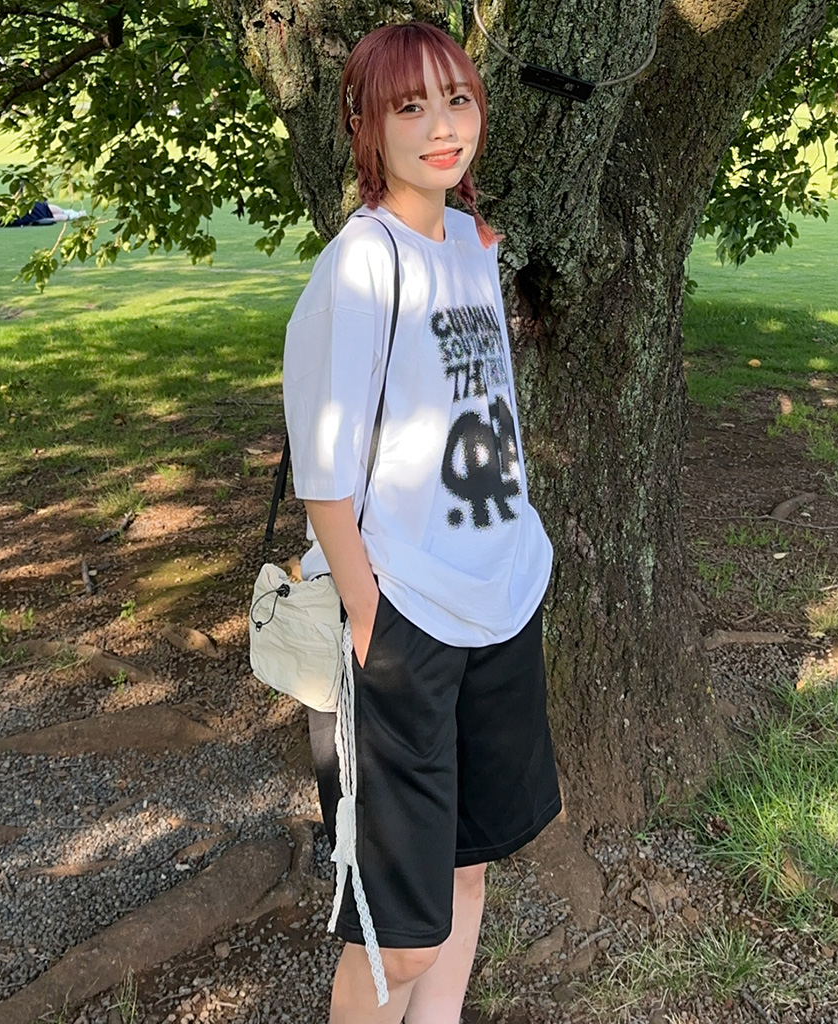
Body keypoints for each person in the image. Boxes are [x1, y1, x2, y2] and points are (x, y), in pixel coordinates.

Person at [282, 21, 561, 1024]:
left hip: (499, 602)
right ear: (367, 124)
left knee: (467, 869)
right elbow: (323, 476)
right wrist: (370, 620)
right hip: (401, 622)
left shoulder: (471, 247)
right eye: (411, 106)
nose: (443, 126)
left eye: (458, 99)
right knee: (397, 934)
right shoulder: (359, 266)